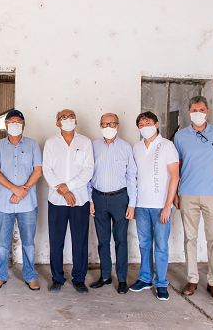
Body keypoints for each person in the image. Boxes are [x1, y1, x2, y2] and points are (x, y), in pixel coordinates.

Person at [173, 96, 213, 301]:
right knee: (190, 238)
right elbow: (177, 167)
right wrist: (175, 193)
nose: (197, 113)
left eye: (201, 109)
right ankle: (192, 279)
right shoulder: (180, 136)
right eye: (194, 110)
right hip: (187, 193)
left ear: (207, 111)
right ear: (189, 112)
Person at [0, 110, 43, 291]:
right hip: (4, 203)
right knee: (3, 243)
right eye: (11, 122)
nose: (14, 124)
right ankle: (0, 276)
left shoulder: (33, 144)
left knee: (28, 242)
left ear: (24, 124)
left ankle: (30, 276)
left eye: (18, 121)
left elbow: (38, 171)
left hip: (27, 203)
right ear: (5, 125)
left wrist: (22, 191)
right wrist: (15, 190)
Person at [129, 112, 179, 301]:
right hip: (142, 205)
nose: (144, 127)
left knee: (161, 246)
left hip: (160, 206)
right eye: (140, 124)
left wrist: (168, 206)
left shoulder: (167, 146)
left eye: (147, 123)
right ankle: (145, 278)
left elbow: (174, 176)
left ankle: (161, 283)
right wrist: (133, 204)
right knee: (144, 244)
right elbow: (132, 177)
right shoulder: (136, 147)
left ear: (157, 124)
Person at [43, 109, 94, 295]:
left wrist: (69, 188)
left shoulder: (85, 142)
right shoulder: (51, 143)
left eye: (71, 116)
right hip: (56, 200)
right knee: (56, 241)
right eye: (63, 117)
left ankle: (79, 278)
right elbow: (47, 170)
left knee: (79, 241)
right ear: (57, 123)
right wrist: (63, 191)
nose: (68, 119)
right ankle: (57, 278)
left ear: (76, 121)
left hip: (79, 200)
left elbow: (88, 170)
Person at [88, 113, 137, 294]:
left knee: (121, 240)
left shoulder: (125, 147)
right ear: (100, 125)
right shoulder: (93, 146)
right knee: (103, 240)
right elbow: (87, 175)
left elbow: (132, 176)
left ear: (117, 125)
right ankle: (106, 276)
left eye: (111, 123)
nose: (108, 126)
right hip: (99, 198)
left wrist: (132, 203)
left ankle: (122, 278)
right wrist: (90, 200)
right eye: (104, 123)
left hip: (120, 199)